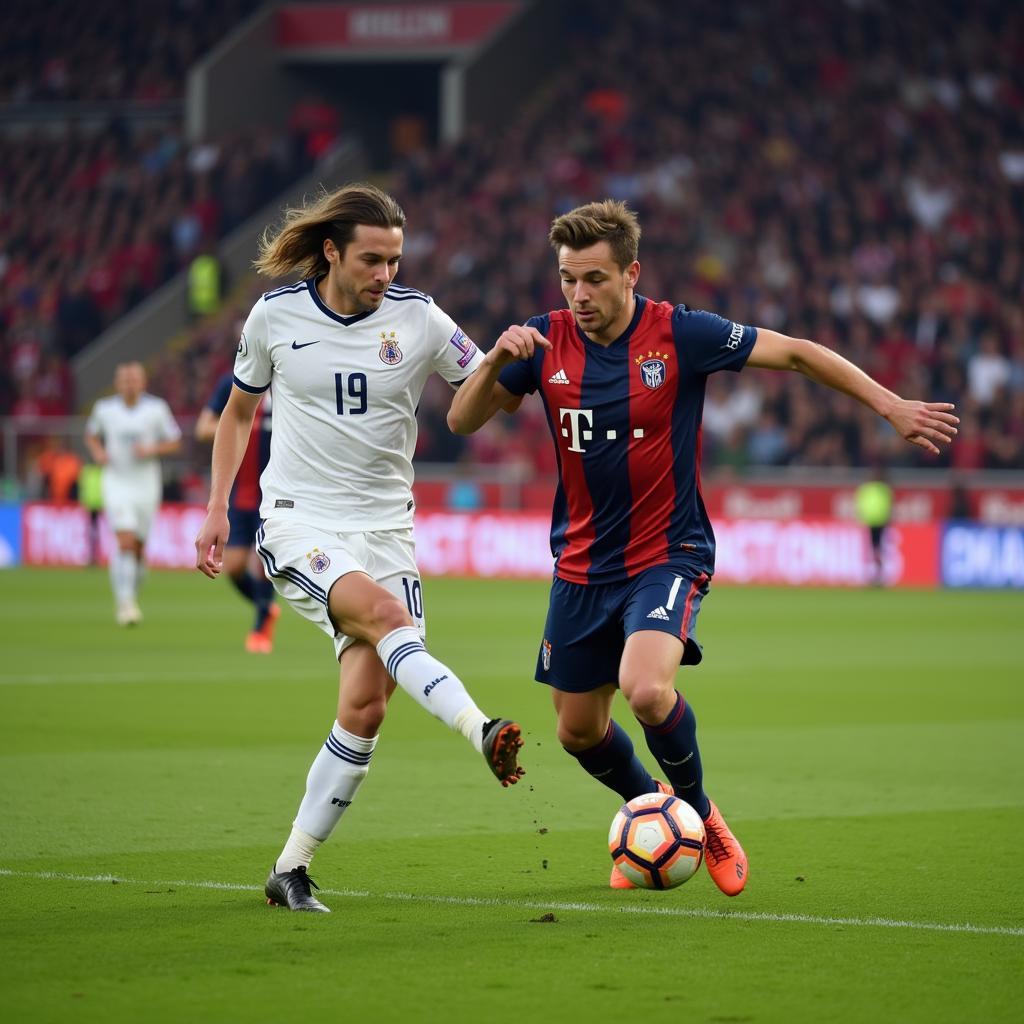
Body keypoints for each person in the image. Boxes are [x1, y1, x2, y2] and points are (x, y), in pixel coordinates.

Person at [448, 199, 958, 896]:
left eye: (594, 278)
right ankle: (659, 805)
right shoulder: (542, 341)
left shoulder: (681, 334)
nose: (579, 294)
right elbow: (461, 419)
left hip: (667, 551)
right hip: (579, 568)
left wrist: (891, 405)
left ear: (633, 272)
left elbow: (800, 354)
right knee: (575, 732)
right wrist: (494, 363)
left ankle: (699, 815)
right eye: (568, 278)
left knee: (648, 689)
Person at [194, 182, 525, 914]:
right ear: (333, 252)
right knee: (381, 616)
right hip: (298, 523)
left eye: (395, 259)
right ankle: (482, 730)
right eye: (371, 259)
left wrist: (502, 365)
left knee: (368, 705)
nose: (385, 273)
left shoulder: (421, 318)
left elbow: (473, 409)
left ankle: (290, 869)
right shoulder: (276, 316)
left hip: (388, 533)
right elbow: (238, 412)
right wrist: (219, 508)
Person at [85, 362, 183, 625]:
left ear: (143, 382)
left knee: (138, 547)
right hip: (116, 481)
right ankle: (125, 603)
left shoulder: (156, 409)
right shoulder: (105, 409)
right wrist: (98, 452)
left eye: (134, 379)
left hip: (146, 485)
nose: (129, 384)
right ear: (117, 383)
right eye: (124, 380)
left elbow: (175, 441)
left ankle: (132, 588)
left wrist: (152, 450)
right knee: (125, 540)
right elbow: (92, 435)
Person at [195, 373, 279, 653]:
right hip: (240, 494)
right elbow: (203, 428)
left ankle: (260, 628)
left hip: (276, 492)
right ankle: (265, 607)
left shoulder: (288, 381)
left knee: (266, 564)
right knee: (232, 567)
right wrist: (238, 421)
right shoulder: (232, 384)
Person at [854, 465, 893, 586]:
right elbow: (862, 504)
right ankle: (877, 575)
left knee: (877, 549)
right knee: (876, 549)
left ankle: (878, 575)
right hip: (873, 522)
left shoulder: (877, 489)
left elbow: (887, 505)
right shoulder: (878, 489)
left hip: (879, 522)